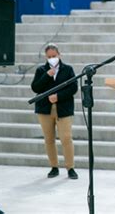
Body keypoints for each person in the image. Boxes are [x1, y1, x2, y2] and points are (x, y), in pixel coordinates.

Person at [31, 43, 79, 179]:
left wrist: (58, 96)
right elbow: (35, 87)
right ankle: (54, 166)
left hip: (63, 109)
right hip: (44, 110)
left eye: (54, 56)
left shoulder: (68, 69)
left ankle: (70, 167)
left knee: (66, 138)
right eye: (49, 57)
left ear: (59, 55)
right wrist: (47, 75)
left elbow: (73, 88)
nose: (52, 58)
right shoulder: (41, 70)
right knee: (49, 139)